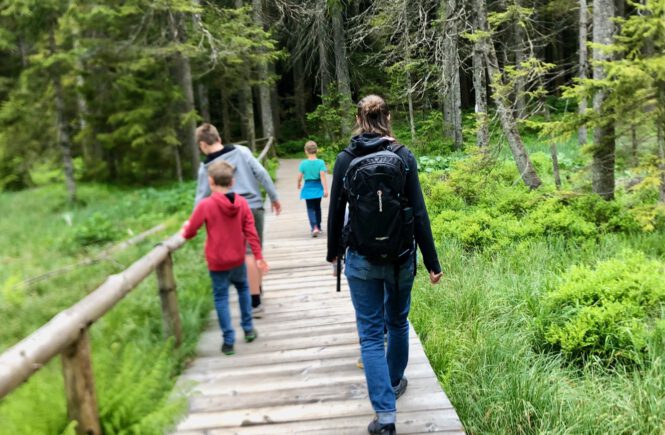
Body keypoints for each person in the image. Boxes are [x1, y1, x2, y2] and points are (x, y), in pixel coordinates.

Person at [326, 95, 443, 435]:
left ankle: (386, 418)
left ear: (359, 119)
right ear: (388, 117)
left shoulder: (345, 159)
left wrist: (333, 251)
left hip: (361, 258)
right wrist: (432, 261)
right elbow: (418, 212)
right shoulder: (403, 156)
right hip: (401, 258)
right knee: (398, 322)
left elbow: (335, 211)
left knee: (371, 337)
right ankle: (394, 382)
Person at [182, 161, 269, 355]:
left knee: (221, 297)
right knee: (243, 289)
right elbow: (251, 232)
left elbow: (191, 231)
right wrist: (258, 256)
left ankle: (228, 341)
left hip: (217, 261)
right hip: (238, 258)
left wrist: (184, 230)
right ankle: (248, 329)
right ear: (232, 182)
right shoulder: (242, 203)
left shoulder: (205, 205)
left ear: (210, 181)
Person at [194, 123, 281, 318]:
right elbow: (261, 173)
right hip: (254, 207)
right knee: (254, 250)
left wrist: (193, 221)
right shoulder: (241, 151)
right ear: (218, 138)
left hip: (226, 212)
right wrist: (274, 197)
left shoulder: (207, 167)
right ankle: (256, 291)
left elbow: (201, 197)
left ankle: (255, 301)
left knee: (245, 254)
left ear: (202, 144)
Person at [297, 140, 329, 237]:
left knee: (310, 208)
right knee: (317, 207)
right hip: (318, 187)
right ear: (316, 150)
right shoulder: (321, 163)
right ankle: (318, 227)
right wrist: (325, 189)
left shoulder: (303, 163)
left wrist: (298, 183)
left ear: (306, 151)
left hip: (308, 187)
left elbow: (299, 176)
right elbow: (322, 176)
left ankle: (314, 226)